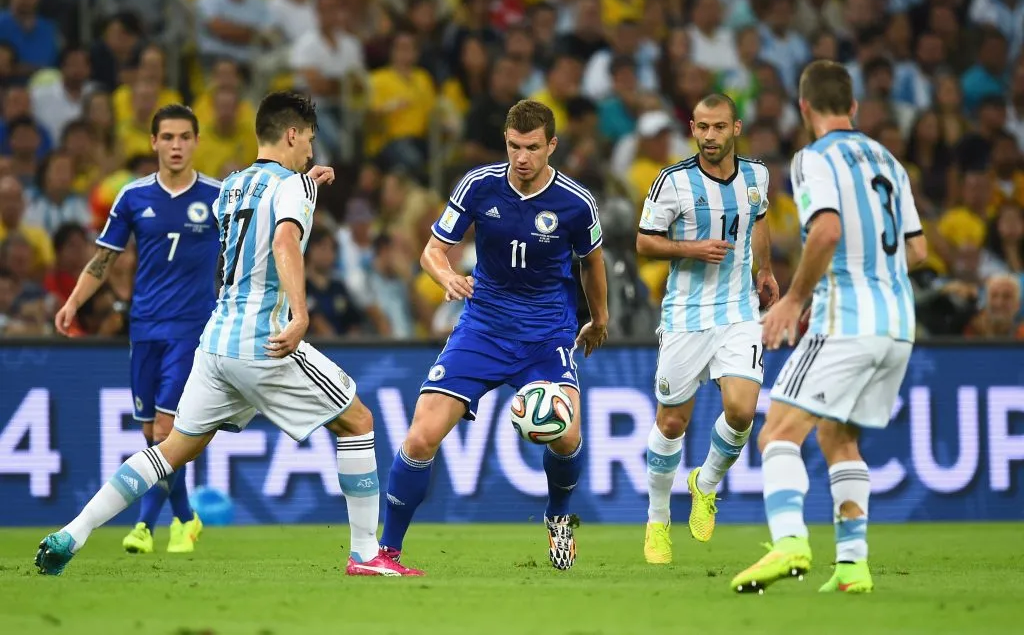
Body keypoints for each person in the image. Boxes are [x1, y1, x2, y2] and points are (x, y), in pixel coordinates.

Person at [37, 92, 412, 578]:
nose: (312, 155)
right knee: (357, 422)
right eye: (310, 142)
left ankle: (72, 533)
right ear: (293, 134)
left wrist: (308, 186)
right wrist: (299, 315)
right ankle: (365, 555)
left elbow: (262, 214)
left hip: (214, 343)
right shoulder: (293, 185)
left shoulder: (232, 185)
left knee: (171, 450)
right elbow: (282, 241)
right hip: (264, 338)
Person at [379, 99, 609, 572]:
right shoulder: (479, 186)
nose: (521, 157)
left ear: (552, 146)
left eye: (531, 147)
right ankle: (387, 552)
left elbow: (593, 264)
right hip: (482, 329)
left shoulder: (575, 202)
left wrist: (600, 318)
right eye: (513, 146)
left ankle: (559, 517)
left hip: (546, 336)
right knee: (421, 437)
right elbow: (432, 251)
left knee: (566, 438)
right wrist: (446, 278)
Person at [730, 61, 927, 595]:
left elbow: (828, 232)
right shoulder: (890, 161)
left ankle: (790, 541)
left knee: (777, 433)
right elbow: (918, 249)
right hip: (898, 325)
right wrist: (865, 278)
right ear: (854, 106)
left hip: (849, 321)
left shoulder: (813, 158)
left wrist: (796, 299)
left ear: (804, 108)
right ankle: (852, 567)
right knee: (838, 436)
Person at [53, 104, 219, 554]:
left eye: (185, 137)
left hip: (192, 330)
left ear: (197, 142)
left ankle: (143, 528)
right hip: (144, 328)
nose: (177, 146)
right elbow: (103, 259)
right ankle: (185, 518)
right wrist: (72, 303)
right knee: (151, 436)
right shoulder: (133, 197)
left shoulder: (219, 197)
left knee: (165, 431)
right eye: (168, 137)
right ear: (153, 143)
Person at [637, 93, 778, 564]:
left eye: (718, 127)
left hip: (738, 312)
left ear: (736, 127)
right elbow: (644, 242)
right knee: (672, 421)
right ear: (692, 129)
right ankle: (658, 521)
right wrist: (692, 249)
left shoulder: (757, 175)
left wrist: (765, 271)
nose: (709, 136)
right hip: (685, 315)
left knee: (741, 411)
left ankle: (706, 483)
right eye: (701, 127)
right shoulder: (673, 181)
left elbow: (759, 222)